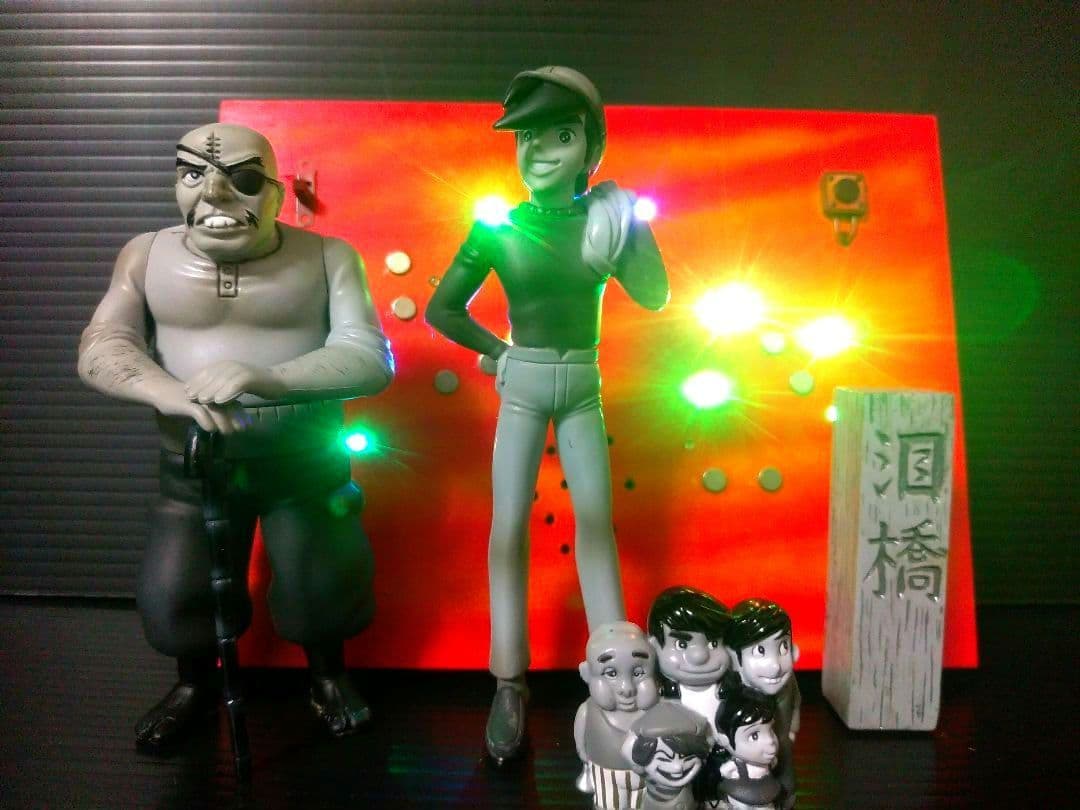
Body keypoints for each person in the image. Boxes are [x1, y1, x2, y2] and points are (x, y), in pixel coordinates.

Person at [78, 122, 394, 751]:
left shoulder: (329, 257)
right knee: (179, 589)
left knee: (321, 578)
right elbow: (102, 343)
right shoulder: (146, 256)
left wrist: (270, 378)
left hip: (304, 462)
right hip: (194, 464)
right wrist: (171, 393)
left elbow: (369, 357)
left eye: (242, 179)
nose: (214, 193)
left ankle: (327, 676)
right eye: (193, 174)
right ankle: (193, 682)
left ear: (277, 192)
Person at [425, 64, 669, 764]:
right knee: (508, 525)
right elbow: (443, 309)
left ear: (589, 145)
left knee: (596, 520)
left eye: (559, 136)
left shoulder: (605, 221)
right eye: (526, 137)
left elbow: (654, 295)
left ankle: (618, 681)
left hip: (584, 383)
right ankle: (509, 680)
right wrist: (498, 351)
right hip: (525, 381)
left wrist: (630, 224)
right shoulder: (500, 226)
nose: (538, 151)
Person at [574, 621, 661, 810]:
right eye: (611, 673)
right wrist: (584, 755)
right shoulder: (588, 711)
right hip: (606, 776)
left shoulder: (657, 711)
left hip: (649, 778)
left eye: (638, 673)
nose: (626, 688)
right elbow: (581, 741)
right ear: (586, 674)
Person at [725, 600, 800, 809]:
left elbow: (795, 703)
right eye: (760, 650)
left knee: (785, 781)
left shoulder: (788, 684)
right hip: (746, 764)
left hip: (781, 746)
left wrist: (792, 729)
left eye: (783, 647)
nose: (775, 666)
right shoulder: (732, 691)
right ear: (734, 655)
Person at [647, 586, 738, 741]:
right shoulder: (658, 694)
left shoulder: (731, 689)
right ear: (654, 647)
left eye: (713, 643)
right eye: (681, 644)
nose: (699, 656)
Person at [623, 700, 712, 810]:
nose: (678, 767)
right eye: (664, 759)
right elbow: (628, 751)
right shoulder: (648, 776)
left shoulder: (695, 786)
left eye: (686, 757)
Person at [714, 688, 782, 810]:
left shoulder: (771, 761)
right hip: (741, 794)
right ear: (724, 740)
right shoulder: (735, 765)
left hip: (765, 791)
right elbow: (724, 771)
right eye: (754, 736)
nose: (770, 741)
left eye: (771, 730)